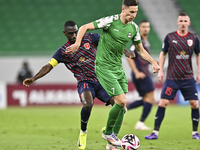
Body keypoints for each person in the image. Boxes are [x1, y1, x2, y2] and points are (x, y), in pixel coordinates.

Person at [23, 20, 135, 150]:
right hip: (85, 82)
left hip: (102, 80)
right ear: (64, 33)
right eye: (70, 33)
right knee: (88, 104)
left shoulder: (90, 38)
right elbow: (48, 66)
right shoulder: (63, 51)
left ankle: (109, 135)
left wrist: (125, 51)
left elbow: (111, 43)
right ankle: (83, 132)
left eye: (75, 32)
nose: (74, 35)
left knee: (121, 106)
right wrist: (33, 78)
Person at [65, 0, 160, 147]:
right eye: (130, 12)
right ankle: (108, 132)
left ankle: (112, 144)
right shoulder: (110, 21)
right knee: (121, 101)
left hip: (118, 68)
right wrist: (77, 43)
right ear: (123, 9)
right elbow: (84, 27)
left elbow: (140, 50)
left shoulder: (134, 28)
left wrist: (153, 62)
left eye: (135, 12)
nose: (133, 15)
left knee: (122, 107)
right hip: (103, 67)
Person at [145, 12, 200, 140]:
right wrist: (160, 70)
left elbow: (198, 54)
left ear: (189, 23)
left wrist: (199, 72)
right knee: (163, 102)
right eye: (181, 21)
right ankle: (155, 132)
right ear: (177, 22)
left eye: (185, 21)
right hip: (172, 78)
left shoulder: (194, 38)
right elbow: (163, 53)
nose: (183, 23)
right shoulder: (169, 37)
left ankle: (195, 133)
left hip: (188, 78)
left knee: (195, 104)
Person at [126, 20, 155, 130]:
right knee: (150, 99)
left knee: (145, 100)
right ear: (139, 28)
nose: (146, 29)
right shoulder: (138, 42)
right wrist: (137, 72)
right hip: (141, 74)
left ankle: (124, 109)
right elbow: (129, 56)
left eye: (147, 26)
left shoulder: (146, 41)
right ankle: (140, 123)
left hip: (144, 73)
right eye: (143, 27)